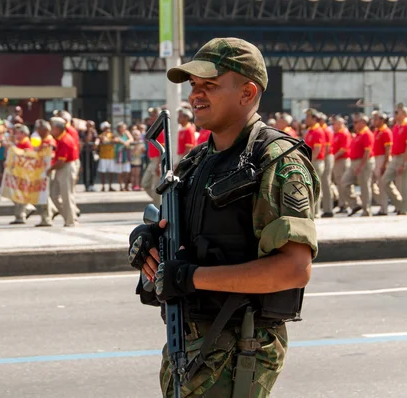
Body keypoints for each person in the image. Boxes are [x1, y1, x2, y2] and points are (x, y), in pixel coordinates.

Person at [128, 37, 319, 397]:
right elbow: (188, 241)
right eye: (194, 86)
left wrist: (191, 277)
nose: (195, 95)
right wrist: (151, 242)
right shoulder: (197, 161)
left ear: (247, 93)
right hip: (191, 343)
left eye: (209, 85)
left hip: (238, 348)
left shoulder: (276, 163)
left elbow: (294, 268)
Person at [382, 103, 407, 215]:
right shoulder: (397, 126)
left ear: (404, 114)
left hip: (405, 157)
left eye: (397, 112)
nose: (395, 114)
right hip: (395, 157)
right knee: (385, 181)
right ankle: (399, 203)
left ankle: (404, 209)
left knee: (404, 184)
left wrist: (404, 163)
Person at [342, 114, 375, 217]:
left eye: (357, 122)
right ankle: (355, 204)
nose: (354, 124)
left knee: (364, 186)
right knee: (344, 183)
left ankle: (367, 210)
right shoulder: (358, 134)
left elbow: (367, 152)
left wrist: (361, 166)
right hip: (353, 162)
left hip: (363, 162)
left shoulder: (367, 134)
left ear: (363, 122)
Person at [48, 117, 78, 227]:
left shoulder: (65, 140)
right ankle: (68, 216)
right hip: (61, 168)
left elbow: (61, 160)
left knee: (67, 195)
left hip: (66, 167)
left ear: (57, 129)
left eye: (52, 128)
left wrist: (49, 169)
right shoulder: (59, 139)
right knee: (54, 195)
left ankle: (70, 220)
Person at [33, 120, 58, 227]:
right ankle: (52, 210)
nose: (37, 131)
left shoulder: (50, 141)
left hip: (48, 170)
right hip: (41, 170)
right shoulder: (42, 141)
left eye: (39, 129)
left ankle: (46, 218)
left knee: (44, 195)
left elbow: (52, 155)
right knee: (42, 194)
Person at [10, 124, 36, 225]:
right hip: (18, 171)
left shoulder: (27, 144)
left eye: (18, 133)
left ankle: (21, 215)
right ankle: (26, 209)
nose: (16, 135)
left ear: (24, 134)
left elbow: (28, 158)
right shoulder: (19, 143)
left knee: (19, 194)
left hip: (23, 172)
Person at [304, 108, 326, 218]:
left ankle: (317, 212)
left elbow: (317, 150)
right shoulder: (310, 130)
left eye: (308, 117)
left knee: (316, 187)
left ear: (314, 118)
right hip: (312, 161)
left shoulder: (317, 131)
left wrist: (309, 162)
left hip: (316, 162)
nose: (306, 119)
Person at [371, 111, 394, 216]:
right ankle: (382, 204)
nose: (374, 121)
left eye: (376, 119)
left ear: (382, 120)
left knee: (382, 184)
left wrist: (385, 163)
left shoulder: (386, 131)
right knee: (375, 183)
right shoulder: (377, 131)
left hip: (382, 158)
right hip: (376, 158)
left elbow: (388, 149)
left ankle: (384, 209)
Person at [331, 116, 352, 213]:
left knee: (343, 183)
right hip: (337, 161)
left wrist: (334, 157)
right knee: (338, 183)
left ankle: (345, 204)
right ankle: (341, 203)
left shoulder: (344, 134)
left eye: (334, 124)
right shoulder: (336, 134)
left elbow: (344, 149)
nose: (333, 126)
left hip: (342, 160)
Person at [319, 113, 335, 217]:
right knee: (324, 183)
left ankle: (328, 208)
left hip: (327, 157)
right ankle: (326, 208)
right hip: (324, 157)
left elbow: (327, 147)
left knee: (326, 183)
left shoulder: (326, 131)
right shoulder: (321, 130)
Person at [96, 121, 117, 191]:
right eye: (107, 127)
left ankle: (110, 186)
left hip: (111, 156)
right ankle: (103, 186)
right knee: (103, 172)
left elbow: (115, 140)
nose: (108, 128)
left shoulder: (112, 135)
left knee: (111, 172)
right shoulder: (100, 136)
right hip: (103, 156)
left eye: (108, 127)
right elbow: (99, 141)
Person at [113, 122, 132, 191]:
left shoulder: (126, 132)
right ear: (119, 128)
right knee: (119, 172)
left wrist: (126, 142)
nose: (124, 128)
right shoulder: (116, 134)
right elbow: (115, 139)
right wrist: (124, 142)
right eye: (123, 127)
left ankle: (126, 185)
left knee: (126, 171)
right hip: (119, 154)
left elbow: (131, 139)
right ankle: (120, 186)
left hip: (126, 154)